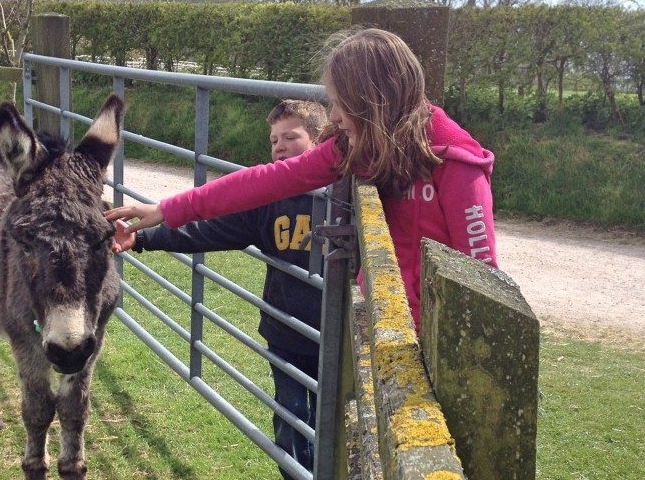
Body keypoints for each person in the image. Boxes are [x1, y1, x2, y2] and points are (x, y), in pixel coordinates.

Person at [106, 28, 498, 329]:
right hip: (381, 321)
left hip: (433, 333)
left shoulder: (455, 164)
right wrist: (168, 208)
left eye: (342, 102)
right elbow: (263, 181)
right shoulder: (354, 146)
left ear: (373, 98)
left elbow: (482, 278)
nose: (336, 117)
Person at [112, 100, 327, 480]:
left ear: (319, 140)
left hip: (334, 335)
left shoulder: (343, 198)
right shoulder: (268, 199)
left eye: (291, 137)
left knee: (331, 414)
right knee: (291, 412)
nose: (279, 147)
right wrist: (142, 239)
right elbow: (208, 230)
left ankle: (331, 478)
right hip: (285, 331)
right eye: (273, 140)